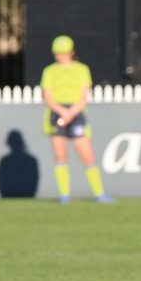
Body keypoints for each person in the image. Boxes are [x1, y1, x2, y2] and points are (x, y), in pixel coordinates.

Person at [41, 35, 112, 204]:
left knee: (87, 156)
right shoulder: (49, 71)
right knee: (60, 156)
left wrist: (70, 113)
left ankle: (99, 194)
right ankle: (64, 195)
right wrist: (61, 112)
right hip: (56, 113)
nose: (60, 56)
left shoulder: (82, 70)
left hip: (76, 113)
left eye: (64, 53)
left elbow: (84, 96)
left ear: (72, 52)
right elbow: (48, 97)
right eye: (58, 53)